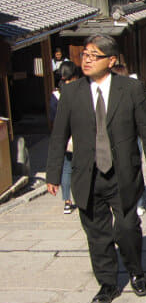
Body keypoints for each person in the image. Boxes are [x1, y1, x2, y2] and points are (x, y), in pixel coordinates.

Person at [46, 34, 146, 303]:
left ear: (111, 61)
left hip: (122, 173)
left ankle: (136, 272)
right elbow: (59, 136)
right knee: (97, 235)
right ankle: (107, 284)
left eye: (93, 55)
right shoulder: (71, 92)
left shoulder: (131, 89)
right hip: (86, 175)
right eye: (84, 54)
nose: (86, 60)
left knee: (126, 228)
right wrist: (53, 174)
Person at [111, 64, 146, 216]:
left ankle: (137, 202)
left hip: (132, 138)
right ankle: (132, 202)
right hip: (120, 140)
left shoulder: (132, 92)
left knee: (133, 170)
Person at [49, 60, 81, 214]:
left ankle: (67, 202)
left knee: (67, 169)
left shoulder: (56, 94)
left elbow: (52, 117)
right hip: (78, 135)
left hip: (63, 138)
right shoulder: (78, 90)